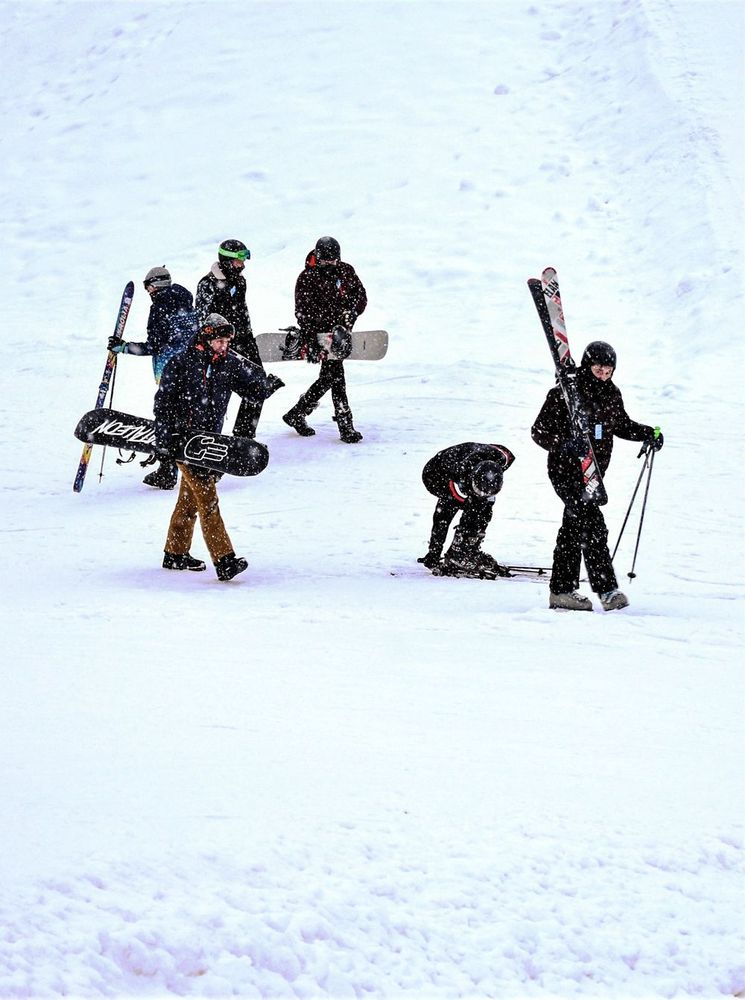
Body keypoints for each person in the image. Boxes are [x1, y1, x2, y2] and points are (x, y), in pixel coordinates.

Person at [531, 340, 664, 611]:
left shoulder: (611, 394)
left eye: (608, 371)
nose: (603, 375)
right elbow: (539, 431)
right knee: (592, 526)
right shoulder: (565, 392)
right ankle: (605, 591)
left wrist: (649, 433)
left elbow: (621, 424)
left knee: (575, 527)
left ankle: (563, 591)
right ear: (587, 365)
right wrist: (565, 445)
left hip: (592, 475)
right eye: (598, 369)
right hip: (565, 470)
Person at [153, 313, 284, 581]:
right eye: (220, 341)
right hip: (184, 441)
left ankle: (175, 553)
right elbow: (163, 404)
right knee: (208, 500)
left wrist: (265, 388)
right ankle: (224, 560)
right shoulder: (181, 363)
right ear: (206, 337)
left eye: (227, 342)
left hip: (209, 443)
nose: (224, 346)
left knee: (189, 500)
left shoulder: (228, 363)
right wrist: (165, 441)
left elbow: (249, 391)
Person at [108, 265, 197, 489]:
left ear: (155, 285)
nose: (147, 291)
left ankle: (167, 471)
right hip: (193, 368)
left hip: (169, 371)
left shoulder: (159, 307)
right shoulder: (186, 301)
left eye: (147, 286)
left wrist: (125, 347)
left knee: (166, 418)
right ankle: (193, 464)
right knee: (187, 418)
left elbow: (154, 345)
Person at [282, 236, 368, 444]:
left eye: (333, 260)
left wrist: (352, 313)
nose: (330, 264)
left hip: (341, 333)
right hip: (319, 334)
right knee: (335, 376)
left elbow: (361, 296)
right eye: (325, 260)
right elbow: (302, 311)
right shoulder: (307, 277)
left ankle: (297, 413)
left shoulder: (346, 271)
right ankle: (345, 425)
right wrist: (313, 336)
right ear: (318, 257)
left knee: (330, 377)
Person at [196, 239, 267, 439]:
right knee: (221, 391)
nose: (242, 264)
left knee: (259, 384)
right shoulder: (208, 284)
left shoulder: (240, 281)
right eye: (239, 260)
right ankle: (209, 437)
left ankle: (244, 436)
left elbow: (243, 312)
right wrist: (216, 345)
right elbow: (202, 319)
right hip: (222, 345)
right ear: (227, 260)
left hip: (245, 341)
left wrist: (248, 337)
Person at [418, 442, 516, 578]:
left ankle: (470, 548)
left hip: (473, 466)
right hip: (435, 475)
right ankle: (458, 553)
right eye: (478, 491)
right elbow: (442, 516)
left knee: (484, 507)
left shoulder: (503, 459)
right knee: (465, 508)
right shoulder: (458, 473)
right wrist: (434, 552)